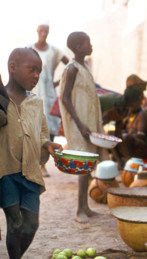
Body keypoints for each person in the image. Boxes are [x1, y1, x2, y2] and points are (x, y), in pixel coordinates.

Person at [0, 48, 62, 259]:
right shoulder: (1, 100)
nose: (36, 76)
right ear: (12, 67)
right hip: (5, 172)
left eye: (39, 71)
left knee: (31, 226)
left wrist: (48, 145)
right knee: (15, 223)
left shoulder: (36, 103)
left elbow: (42, 133)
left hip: (30, 173)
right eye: (32, 69)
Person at [59, 31, 108, 223]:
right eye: (88, 43)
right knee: (82, 165)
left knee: (87, 166)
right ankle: (79, 210)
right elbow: (65, 97)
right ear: (79, 47)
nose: (91, 45)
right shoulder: (71, 69)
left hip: (88, 123)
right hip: (80, 124)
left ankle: (86, 207)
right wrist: (79, 124)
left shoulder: (84, 66)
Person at [29, 21, 69, 177]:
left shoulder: (54, 51)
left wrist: (59, 82)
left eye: (46, 31)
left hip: (49, 94)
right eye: (41, 30)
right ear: (37, 31)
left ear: (49, 32)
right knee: (32, 124)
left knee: (47, 128)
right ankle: (32, 163)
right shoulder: (29, 48)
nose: (43, 33)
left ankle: (43, 165)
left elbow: (69, 64)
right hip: (33, 91)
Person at [116, 87, 147, 164]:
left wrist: (125, 136)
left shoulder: (142, 114)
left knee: (126, 138)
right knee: (113, 137)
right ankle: (121, 162)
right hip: (133, 144)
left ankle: (131, 163)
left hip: (146, 147)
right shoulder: (130, 115)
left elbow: (141, 136)